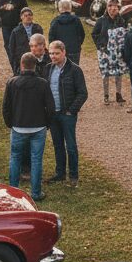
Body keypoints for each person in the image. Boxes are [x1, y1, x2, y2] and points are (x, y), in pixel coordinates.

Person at [2, 52, 54, 202]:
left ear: (21, 64)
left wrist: (10, 123)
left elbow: (6, 106)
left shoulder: (12, 83)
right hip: (38, 127)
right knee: (36, 160)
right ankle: (36, 192)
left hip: (18, 126)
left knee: (15, 158)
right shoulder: (42, 83)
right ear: (35, 65)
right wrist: (47, 124)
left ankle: (13, 191)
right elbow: (50, 107)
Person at [46, 40, 88, 186]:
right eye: (51, 53)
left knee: (70, 146)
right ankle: (60, 173)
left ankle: (73, 176)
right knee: (57, 145)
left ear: (64, 52)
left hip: (67, 114)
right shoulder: (48, 69)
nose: (53, 56)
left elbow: (83, 93)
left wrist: (71, 110)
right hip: (53, 115)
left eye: (56, 53)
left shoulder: (75, 70)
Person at [91, 0, 127, 103]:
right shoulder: (101, 21)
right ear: (107, 8)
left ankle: (118, 94)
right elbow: (94, 34)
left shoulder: (121, 20)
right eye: (110, 6)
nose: (113, 9)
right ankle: (106, 95)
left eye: (115, 7)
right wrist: (100, 46)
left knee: (118, 73)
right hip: (104, 51)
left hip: (118, 52)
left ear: (118, 8)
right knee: (105, 73)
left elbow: (124, 34)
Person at [49, 0, 85, 64]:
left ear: (59, 8)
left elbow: (51, 37)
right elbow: (82, 34)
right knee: (74, 69)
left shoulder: (55, 21)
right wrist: (78, 44)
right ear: (70, 7)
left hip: (59, 51)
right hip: (74, 50)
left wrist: (54, 49)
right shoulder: (76, 20)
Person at [0, 0, 23, 64]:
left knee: (18, 45)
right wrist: (3, 7)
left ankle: (19, 63)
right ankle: (13, 63)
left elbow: (25, 9)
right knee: (8, 45)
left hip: (17, 25)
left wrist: (14, 6)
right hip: (6, 26)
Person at [7, 7, 43, 71]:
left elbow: (43, 44)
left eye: (30, 15)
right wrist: (15, 63)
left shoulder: (38, 28)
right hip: (22, 61)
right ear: (21, 17)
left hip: (37, 60)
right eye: (26, 15)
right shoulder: (16, 31)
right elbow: (11, 48)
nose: (28, 17)